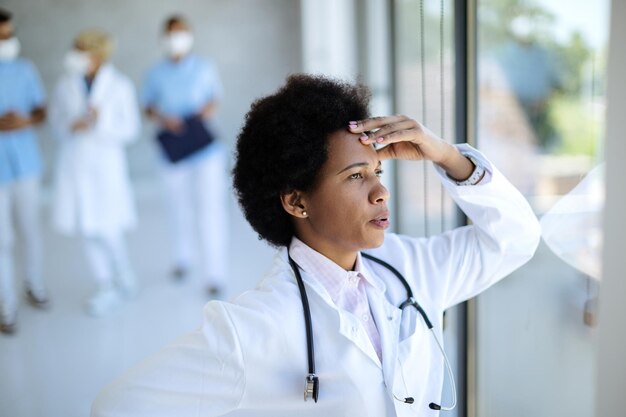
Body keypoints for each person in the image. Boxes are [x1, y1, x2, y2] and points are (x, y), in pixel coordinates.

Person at [92, 75, 541, 416]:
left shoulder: (409, 266)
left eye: (377, 172)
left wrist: (446, 155)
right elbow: (115, 405)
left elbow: (516, 238)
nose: (380, 192)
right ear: (296, 201)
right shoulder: (252, 329)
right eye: (355, 177)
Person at [49, 29, 140, 317]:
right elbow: (55, 122)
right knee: (86, 228)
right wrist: (70, 125)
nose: (74, 56)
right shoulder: (65, 84)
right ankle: (104, 284)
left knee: (109, 228)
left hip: (105, 166)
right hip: (76, 164)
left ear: (98, 54)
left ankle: (124, 276)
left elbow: (131, 130)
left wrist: (102, 123)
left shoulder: (120, 85)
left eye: (81, 50)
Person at [142, 15, 228, 295]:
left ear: (189, 35)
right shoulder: (156, 73)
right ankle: (183, 259)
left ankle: (214, 274)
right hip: (173, 148)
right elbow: (147, 105)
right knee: (178, 205)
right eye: (170, 34)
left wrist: (202, 112)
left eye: (180, 33)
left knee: (209, 208)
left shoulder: (204, 67)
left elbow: (215, 98)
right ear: (162, 38)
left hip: (203, 146)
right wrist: (163, 119)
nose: (175, 39)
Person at [0, 8, 49, 335]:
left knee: (31, 229)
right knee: (2, 240)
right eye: (2, 37)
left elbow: (41, 110)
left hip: (26, 165)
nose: (8, 42)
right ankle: (7, 306)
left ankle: (35, 284)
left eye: (9, 35)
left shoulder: (25, 69)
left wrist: (26, 121)